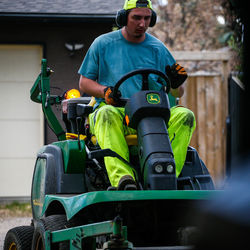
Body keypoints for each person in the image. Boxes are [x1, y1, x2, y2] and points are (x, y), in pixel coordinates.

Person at [78, 0, 196, 190]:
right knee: (105, 113)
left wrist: (176, 84)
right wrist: (105, 92)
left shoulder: (158, 49)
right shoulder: (103, 44)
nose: (142, 24)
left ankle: (166, 175)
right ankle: (123, 178)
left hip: (153, 117)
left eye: (147, 18)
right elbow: (84, 82)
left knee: (185, 116)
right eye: (137, 18)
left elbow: (177, 92)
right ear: (124, 18)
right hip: (118, 115)